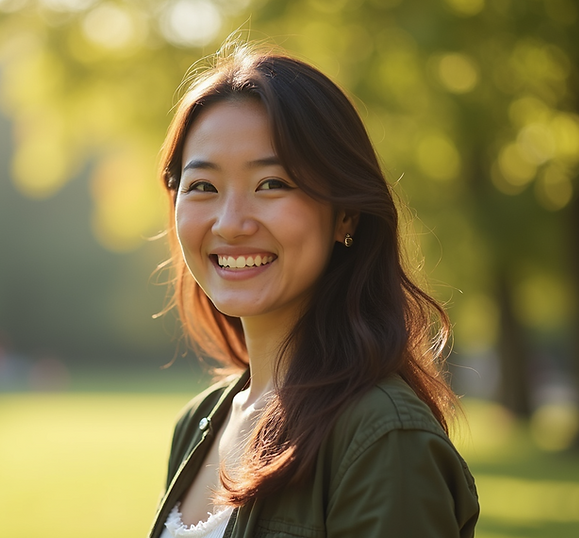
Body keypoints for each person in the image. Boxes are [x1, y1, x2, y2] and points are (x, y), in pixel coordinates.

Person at [147, 44, 480, 538]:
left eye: (273, 183)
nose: (231, 223)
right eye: (202, 187)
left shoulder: (383, 438)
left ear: (344, 214)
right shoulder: (198, 423)